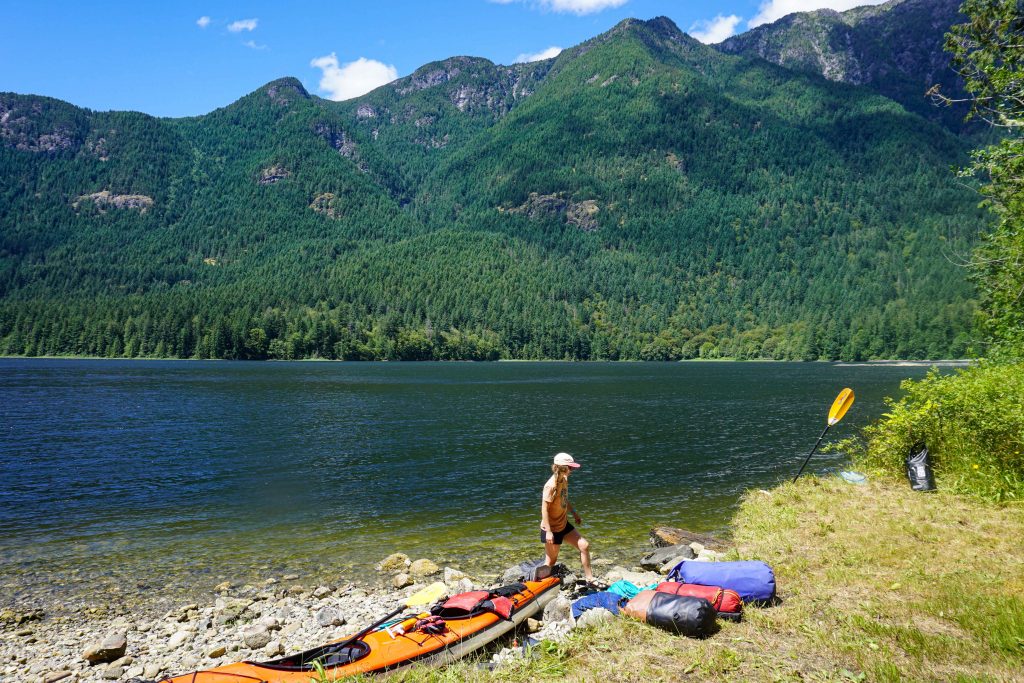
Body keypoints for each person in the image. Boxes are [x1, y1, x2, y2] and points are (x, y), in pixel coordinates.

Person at [540, 452, 594, 583]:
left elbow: (564, 499)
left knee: (584, 546)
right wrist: (548, 531)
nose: (572, 470)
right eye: (571, 467)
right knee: (550, 561)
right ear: (562, 467)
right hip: (552, 529)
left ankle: (590, 578)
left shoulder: (564, 480)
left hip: (563, 524)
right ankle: (538, 585)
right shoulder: (550, 485)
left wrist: (574, 513)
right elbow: (544, 509)